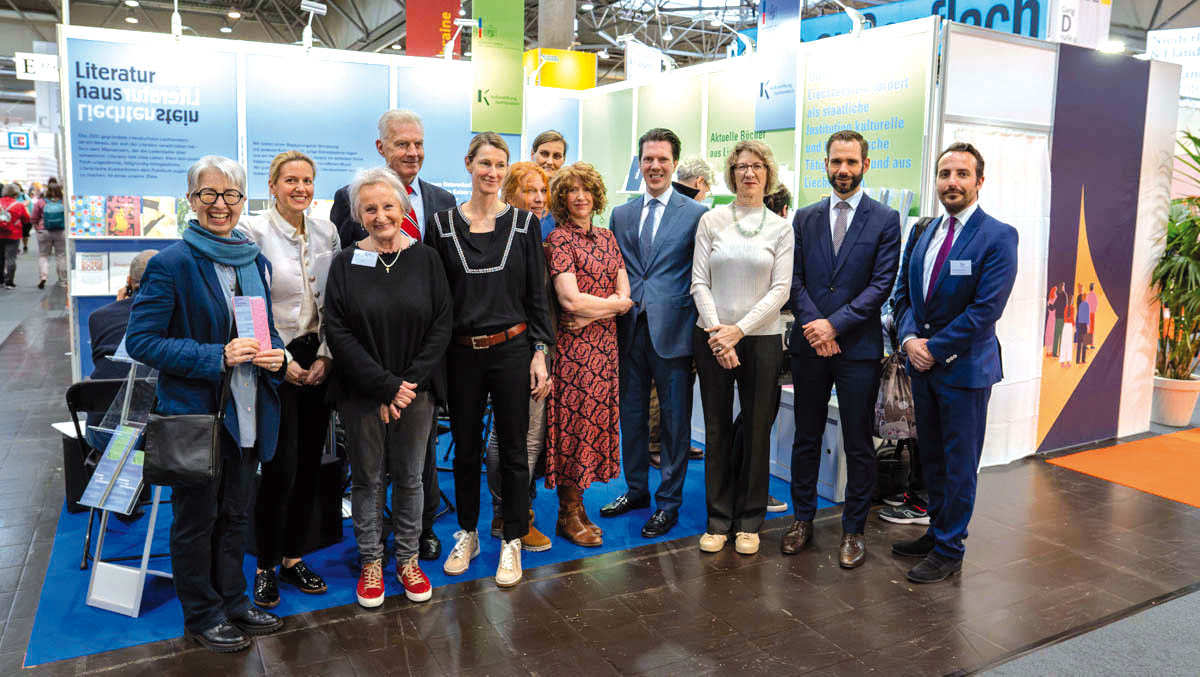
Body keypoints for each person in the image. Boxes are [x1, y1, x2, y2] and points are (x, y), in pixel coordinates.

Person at [126, 156, 287, 652]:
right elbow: (142, 340)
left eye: (231, 195)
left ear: (243, 200)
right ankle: (200, 614)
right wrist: (214, 356)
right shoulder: (171, 264)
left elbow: (262, 329)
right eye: (209, 195)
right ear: (191, 200)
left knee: (237, 515)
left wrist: (277, 352)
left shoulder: (254, 259)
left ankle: (234, 601)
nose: (221, 205)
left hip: (247, 411)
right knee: (196, 522)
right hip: (196, 416)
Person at [426, 132, 553, 587]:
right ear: (468, 164)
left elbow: (536, 295)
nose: (492, 173)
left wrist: (541, 351)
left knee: (515, 453)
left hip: (514, 349)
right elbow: (436, 300)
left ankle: (512, 539)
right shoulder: (441, 225)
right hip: (461, 354)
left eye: (500, 165)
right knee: (465, 451)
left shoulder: (523, 223)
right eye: (485, 163)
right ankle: (468, 532)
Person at [330, 109, 456, 560]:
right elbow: (338, 325)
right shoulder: (346, 259)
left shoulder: (428, 246)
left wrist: (406, 386)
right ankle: (371, 557)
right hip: (364, 387)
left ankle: (411, 548)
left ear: (403, 211)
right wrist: (383, 385)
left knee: (414, 474)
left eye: (389, 207)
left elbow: (442, 318)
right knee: (367, 476)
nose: (381, 214)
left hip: (417, 383)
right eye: (371, 209)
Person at [891, 142, 1018, 583]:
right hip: (923, 367)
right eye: (945, 174)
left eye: (962, 174)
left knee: (959, 463)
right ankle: (937, 531)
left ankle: (950, 548)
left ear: (979, 181)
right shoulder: (925, 231)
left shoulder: (998, 235)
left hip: (963, 371)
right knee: (932, 460)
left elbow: (985, 311)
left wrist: (933, 347)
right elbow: (903, 295)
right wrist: (908, 338)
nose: (952, 182)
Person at [782, 130, 901, 567]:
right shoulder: (805, 217)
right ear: (825, 164)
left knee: (857, 443)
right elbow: (793, 279)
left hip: (858, 350)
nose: (843, 170)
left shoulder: (885, 219)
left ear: (865, 165)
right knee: (806, 437)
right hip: (809, 347)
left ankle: (853, 530)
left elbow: (881, 285)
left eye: (851, 162)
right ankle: (802, 520)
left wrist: (834, 325)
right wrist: (816, 325)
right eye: (836, 162)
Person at [240, 151, 341, 610]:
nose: (300, 188)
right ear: (273, 184)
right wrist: (279, 361)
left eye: (307, 181)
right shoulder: (252, 232)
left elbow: (336, 301)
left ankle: (293, 557)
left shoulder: (327, 231)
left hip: (317, 356)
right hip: (273, 356)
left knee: (309, 469)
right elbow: (249, 304)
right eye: (291, 180)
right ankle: (263, 566)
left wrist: (325, 354)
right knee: (278, 470)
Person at [600, 128, 708, 539]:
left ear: (674, 163)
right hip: (628, 332)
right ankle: (636, 490)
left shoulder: (696, 215)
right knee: (631, 417)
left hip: (675, 334)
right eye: (648, 159)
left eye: (663, 159)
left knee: (675, 423)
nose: (655, 166)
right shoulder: (622, 214)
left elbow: (701, 277)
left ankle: (669, 503)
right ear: (640, 162)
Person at [691, 141, 793, 555]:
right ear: (731, 174)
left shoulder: (781, 227)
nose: (749, 174)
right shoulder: (711, 221)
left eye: (756, 167)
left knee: (755, 430)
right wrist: (720, 333)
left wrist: (740, 331)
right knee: (715, 429)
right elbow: (699, 280)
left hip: (763, 339)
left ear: (768, 173)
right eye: (740, 167)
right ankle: (717, 519)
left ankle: (750, 520)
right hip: (712, 337)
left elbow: (781, 289)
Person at [545, 163, 632, 547]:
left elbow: (626, 298)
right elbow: (568, 299)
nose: (580, 196)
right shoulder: (558, 241)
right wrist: (610, 304)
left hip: (604, 348)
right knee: (574, 428)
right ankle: (567, 514)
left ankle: (579, 508)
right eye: (572, 190)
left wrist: (599, 309)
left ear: (597, 195)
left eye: (587, 189)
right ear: (562, 198)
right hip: (574, 352)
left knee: (594, 426)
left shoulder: (609, 237)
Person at [481, 160, 554, 552]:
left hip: (537, 346)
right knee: (516, 438)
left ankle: (509, 510)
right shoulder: (502, 235)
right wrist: (535, 352)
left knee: (521, 436)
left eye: (542, 190)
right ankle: (512, 514)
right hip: (516, 349)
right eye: (530, 190)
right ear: (508, 194)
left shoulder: (536, 233)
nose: (539, 198)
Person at [33, 183, 67, 289]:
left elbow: (34, 217)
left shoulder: (41, 202)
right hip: (60, 232)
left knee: (44, 256)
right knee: (61, 256)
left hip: (44, 231)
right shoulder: (64, 201)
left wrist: (37, 227)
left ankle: (43, 277)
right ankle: (63, 280)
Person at [0, 184, 31, 289]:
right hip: (14, 234)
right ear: (16, 193)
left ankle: (0, 280)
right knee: (11, 258)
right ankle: (9, 282)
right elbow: (27, 219)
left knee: (0, 258)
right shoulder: (19, 205)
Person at [1075, 291, 1090, 364]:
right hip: (1084, 325)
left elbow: (1079, 316)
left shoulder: (1080, 305)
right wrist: (1088, 325)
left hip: (1080, 325)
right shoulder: (1087, 305)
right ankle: (1083, 360)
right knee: (1085, 343)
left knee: (1079, 343)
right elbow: (1087, 316)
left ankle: (1077, 360)